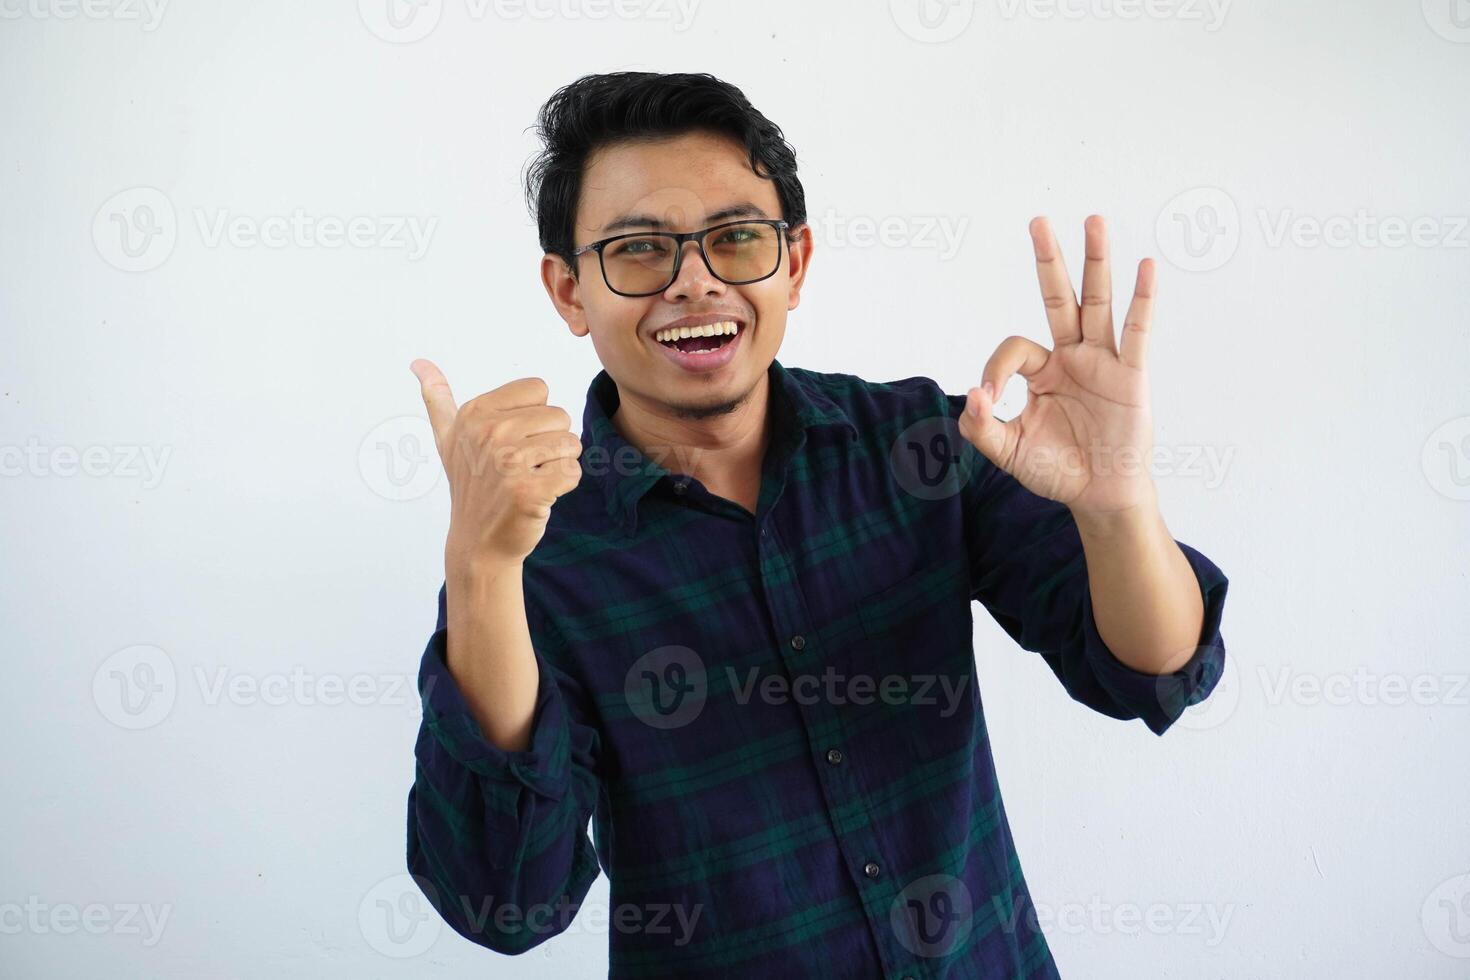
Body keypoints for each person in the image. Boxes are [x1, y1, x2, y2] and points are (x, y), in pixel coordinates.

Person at [404, 70, 1229, 979]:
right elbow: (509, 900)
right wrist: (479, 567)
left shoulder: (924, 446)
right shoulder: (533, 556)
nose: (694, 281)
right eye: (639, 250)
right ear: (569, 291)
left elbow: (1152, 675)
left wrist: (1117, 506)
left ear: (793, 266)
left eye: (736, 239)